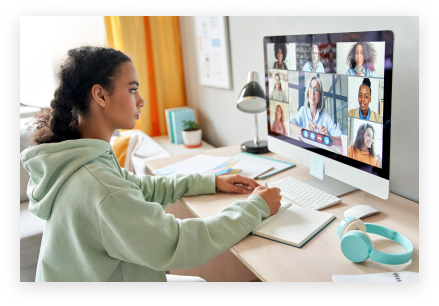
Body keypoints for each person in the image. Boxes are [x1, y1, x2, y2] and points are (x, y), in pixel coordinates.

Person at [20, 46, 282, 282]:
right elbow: (179, 243)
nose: (141, 100)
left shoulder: (81, 160)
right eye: (132, 89)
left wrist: (210, 182)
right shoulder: (100, 185)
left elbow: (137, 187)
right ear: (100, 95)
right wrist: (256, 208)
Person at [290, 76, 343, 145]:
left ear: (320, 96)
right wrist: (305, 131)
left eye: (316, 89)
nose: (312, 92)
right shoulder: (303, 110)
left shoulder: (325, 116)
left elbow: (341, 139)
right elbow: (290, 125)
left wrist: (328, 138)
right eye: (310, 87)